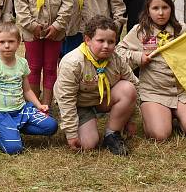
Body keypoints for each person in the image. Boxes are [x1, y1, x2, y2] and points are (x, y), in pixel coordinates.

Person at [117, 0, 186, 141]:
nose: (161, 13)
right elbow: (118, 54)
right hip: (154, 93)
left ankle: (176, 117)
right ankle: (155, 116)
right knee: (160, 135)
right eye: (155, 8)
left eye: (165, 8)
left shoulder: (182, 30)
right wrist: (139, 57)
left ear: (171, 9)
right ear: (148, 10)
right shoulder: (140, 31)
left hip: (180, 92)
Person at [53, 16, 138, 156]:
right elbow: (66, 99)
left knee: (128, 88)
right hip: (78, 104)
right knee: (88, 144)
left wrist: (131, 119)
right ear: (87, 40)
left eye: (111, 42)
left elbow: (135, 84)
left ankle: (112, 134)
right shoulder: (73, 62)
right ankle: (85, 122)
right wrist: (71, 133)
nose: (106, 46)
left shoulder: (116, 59)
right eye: (100, 41)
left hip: (102, 99)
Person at [0, 22, 58, 155]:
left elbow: (27, 90)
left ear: (18, 43)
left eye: (11, 41)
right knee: (14, 149)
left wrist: (39, 105)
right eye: (2, 42)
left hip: (21, 110)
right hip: (1, 113)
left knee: (52, 126)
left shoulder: (22, 63)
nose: (7, 45)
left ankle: (13, 129)